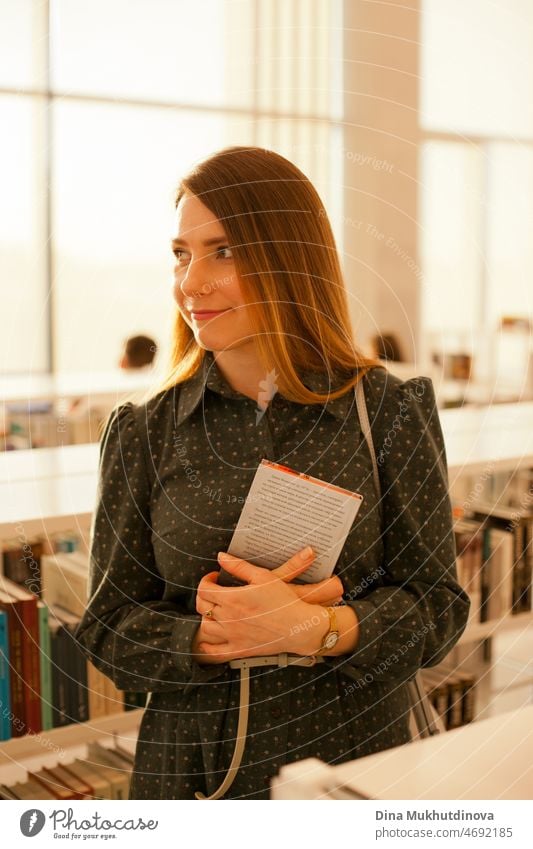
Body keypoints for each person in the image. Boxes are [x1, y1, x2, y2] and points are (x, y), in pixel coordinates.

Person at [75, 146, 470, 800]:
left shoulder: (388, 411)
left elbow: (439, 608)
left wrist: (318, 627)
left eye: (223, 250)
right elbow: (107, 628)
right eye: (181, 253)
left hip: (354, 772)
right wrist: (210, 637)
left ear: (293, 258)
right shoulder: (142, 430)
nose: (190, 282)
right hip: (193, 779)